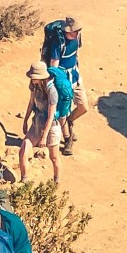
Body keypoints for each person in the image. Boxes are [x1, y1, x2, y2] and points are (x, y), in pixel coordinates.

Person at [43, 16, 84, 155]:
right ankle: (68, 139)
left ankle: (69, 122)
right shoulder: (57, 43)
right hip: (62, 79)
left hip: (75, 76)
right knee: (63, 111)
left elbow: (76, 54)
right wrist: (55, 83)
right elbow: (54, 65)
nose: (77, 33)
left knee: (83, 106)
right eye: (75, 31)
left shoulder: (77, 37)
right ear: (67, 31)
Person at [16, 62, 62, 186]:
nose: (31, 78)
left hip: (51, 127)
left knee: (54, 157)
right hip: (37, 122)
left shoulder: (52, 91)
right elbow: (31, 103)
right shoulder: (33, 86)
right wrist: (25, 120)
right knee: (24, 147)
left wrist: (44, 136)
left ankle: (56, 182)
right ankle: (24, 180)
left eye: (34, 76)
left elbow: (51, 115)